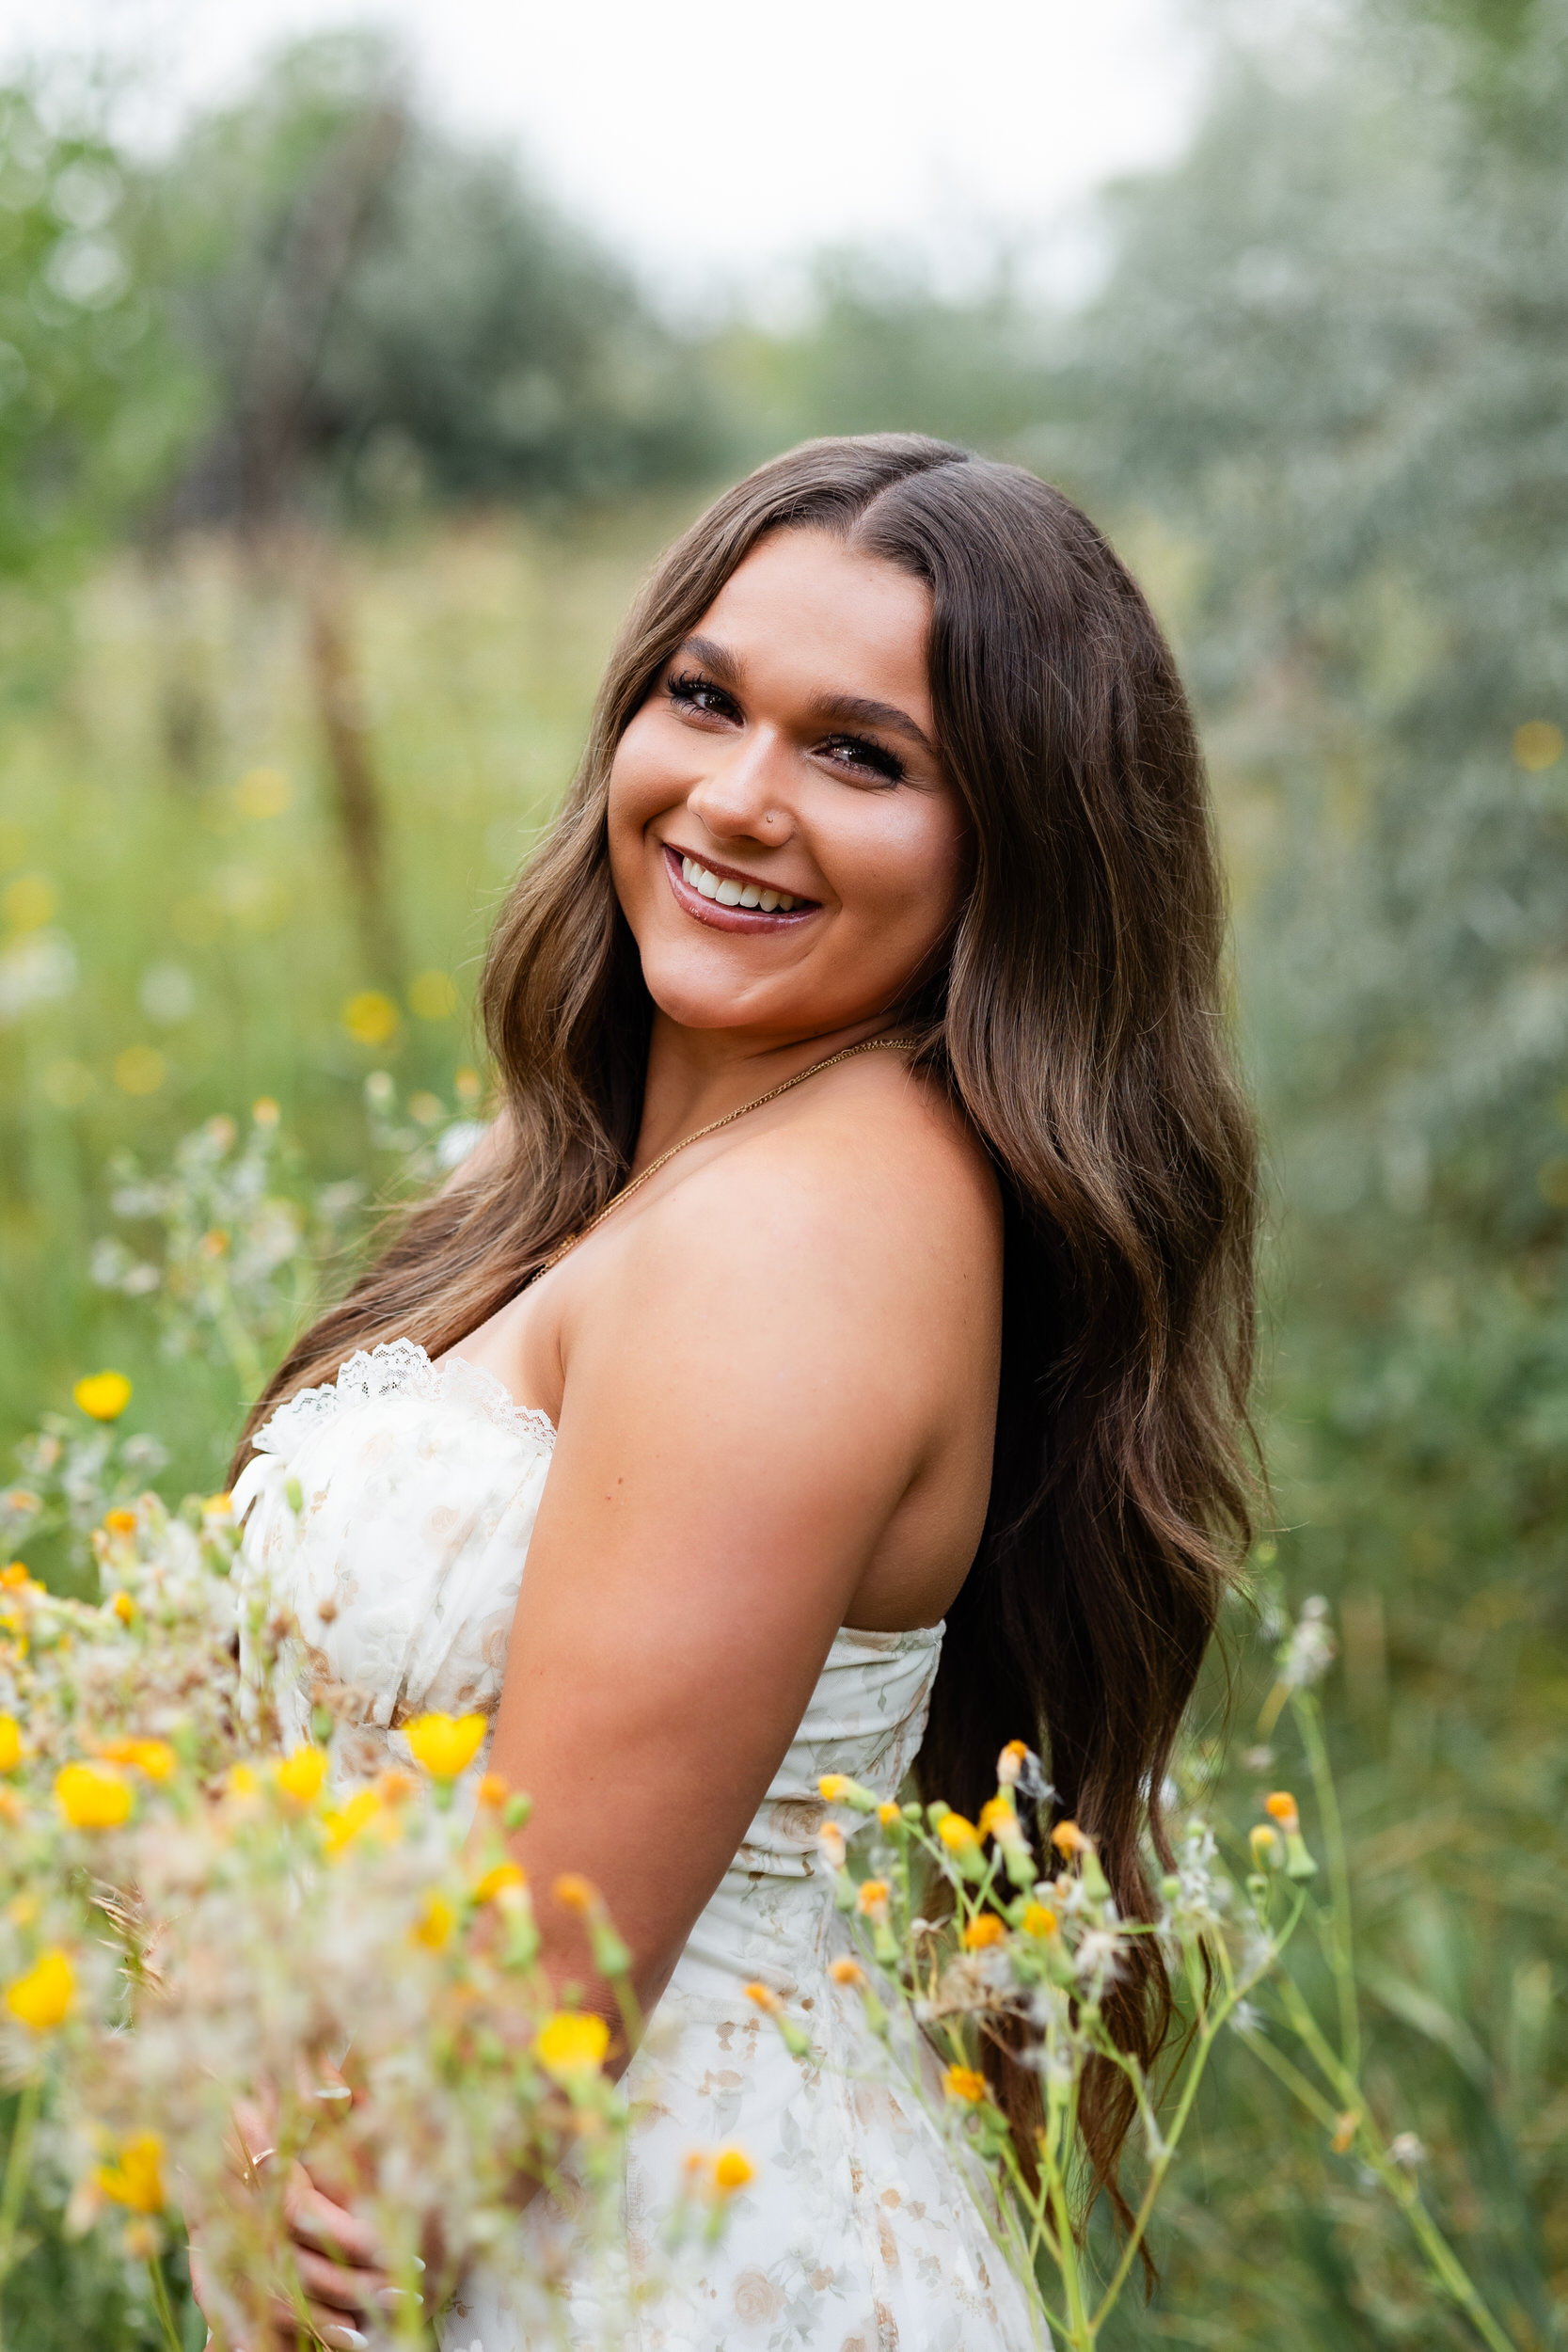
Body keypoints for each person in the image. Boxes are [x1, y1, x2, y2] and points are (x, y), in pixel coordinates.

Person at [220, 433, 1258, 2350]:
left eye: (862, 756)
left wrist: (310, 2214)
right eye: (704, 699)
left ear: (1016, 845)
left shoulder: (808, 1235)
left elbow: (539, 2004)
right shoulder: (618, 1189)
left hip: (642, 2264)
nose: (738, 797)